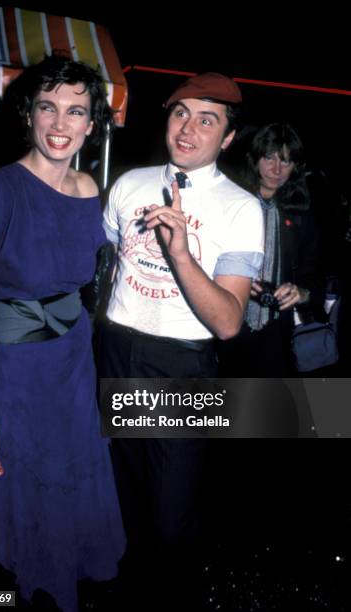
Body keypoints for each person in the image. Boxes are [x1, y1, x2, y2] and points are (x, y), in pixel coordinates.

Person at [0, 54, 125, 611]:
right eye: (49, 107)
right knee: (10, 520)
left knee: (65, 510)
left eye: (76, 111)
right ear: (29, 114)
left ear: (92, 125)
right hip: (14, 378)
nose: (60, 123)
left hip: (73, 375)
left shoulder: (91, 189)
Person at [97, 72, 264, 609]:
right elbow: (101, 265)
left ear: (228, 138)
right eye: (180, 114)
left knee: (172, 521)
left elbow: (229, 322)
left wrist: (182, 255)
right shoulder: (129, 184)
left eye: (207, 120)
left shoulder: (242, 208)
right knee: (122, 498)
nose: (189, 129)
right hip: (117, 348)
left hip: (180, 366)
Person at [217, 123, 325, 377]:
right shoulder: (230, 204)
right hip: (225, 321)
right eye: (269, 158)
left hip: (277, 332)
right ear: (255, 159)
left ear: (296, 167)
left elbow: (317, 277)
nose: (276, 170)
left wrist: (302, 292)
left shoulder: (302, 215)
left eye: (286, 162)